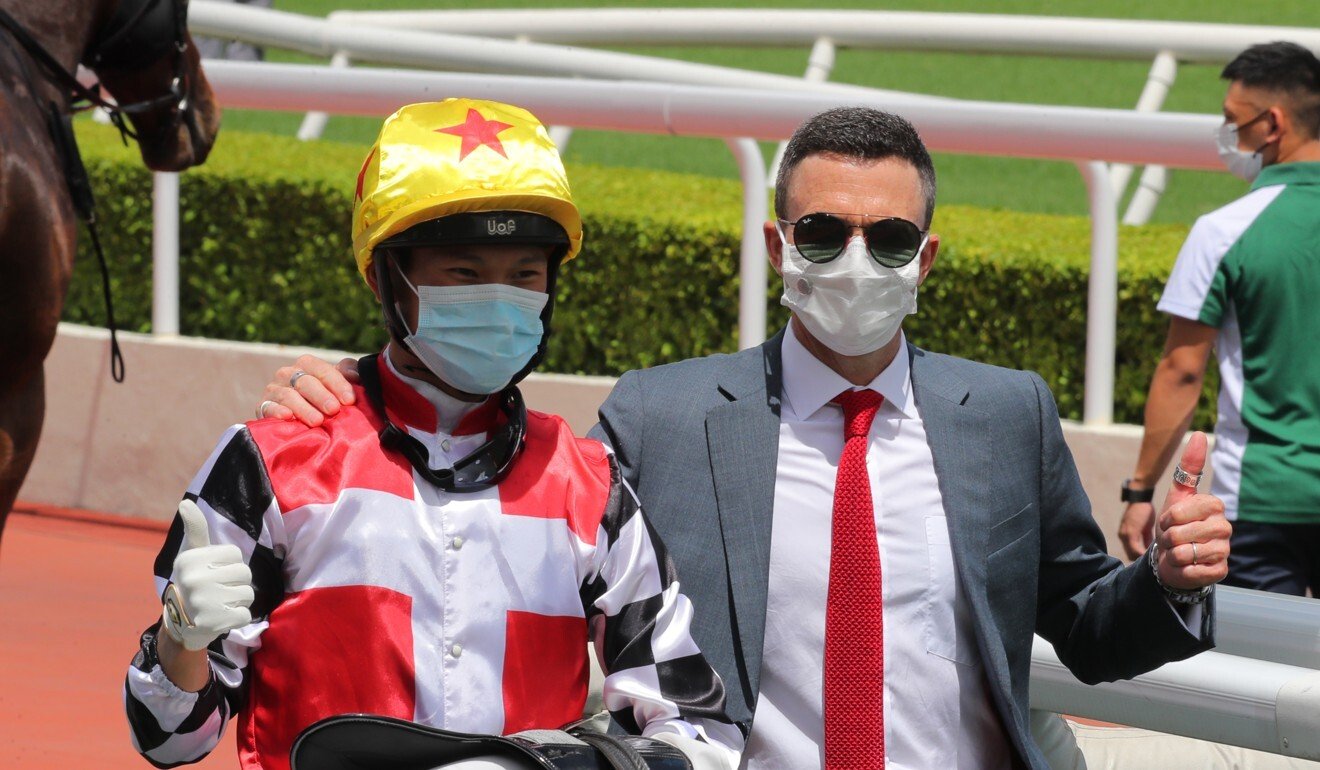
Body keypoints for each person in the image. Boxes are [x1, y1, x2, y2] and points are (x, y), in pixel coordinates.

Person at [262, 107, 1232, 769]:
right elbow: (492, 494)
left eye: (889, 239)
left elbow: (1087, 628)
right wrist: (360, 392)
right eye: (821, 232)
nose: (856, 260)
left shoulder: (1008, 412)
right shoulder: (661, 416)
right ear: (777, 246)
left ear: (925, 258)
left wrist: (1169, 581)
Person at [123, 99, 742, 770]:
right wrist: (179, 645)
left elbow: (698, 730)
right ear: (386, 275)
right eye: (465, 274)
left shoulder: (589, 485)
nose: (500, 298)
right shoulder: (271, 461)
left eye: (526, 274)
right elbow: (170, 740)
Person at [1118, 41, 1320, 595]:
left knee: (1256, 680)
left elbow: (1182, 372)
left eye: (1233, 121)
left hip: (1259, 501)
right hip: (1262, 501)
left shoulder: (1222, 231)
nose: (1227, 135)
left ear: (1272, 124)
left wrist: (1140, 492)